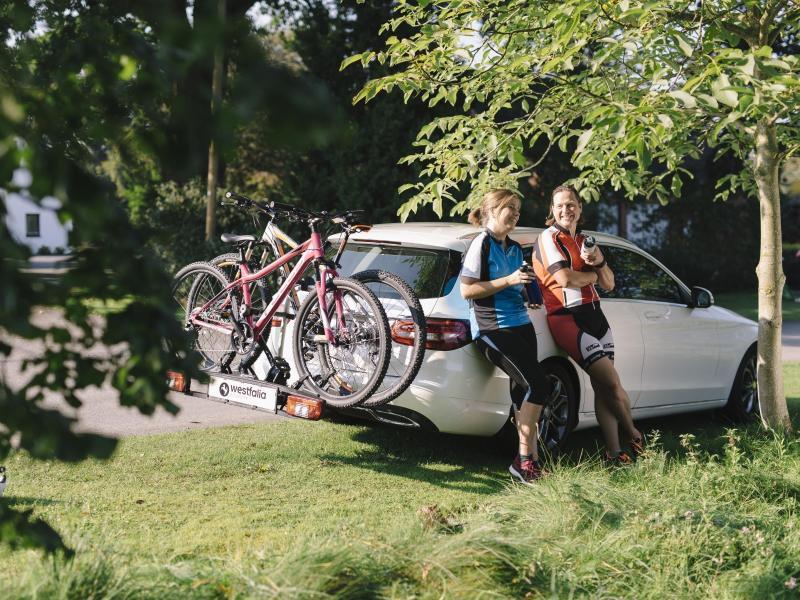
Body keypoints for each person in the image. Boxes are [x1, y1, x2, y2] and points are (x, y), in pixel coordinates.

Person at [531, 184, 644, 464]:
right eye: (559, 205)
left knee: (604, 387)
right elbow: (565, 280)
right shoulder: (548, 238)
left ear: (580, 208)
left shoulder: (585, 240)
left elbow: (610, 283)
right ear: (552, 210)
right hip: (567, 318)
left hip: (596, 316)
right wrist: (593, 276)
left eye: (571, 204)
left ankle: (614, 452)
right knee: (612, 382)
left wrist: (600, 261)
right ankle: (635, 434)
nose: (565, 210)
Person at [460, 189, 549, 484]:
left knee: (523, 394)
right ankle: (524, 461)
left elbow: (514, 285)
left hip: (522, 324)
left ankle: (530, 463)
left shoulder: (514, 247)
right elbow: (468, 290)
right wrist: (509, 280)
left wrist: (528, 291)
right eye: (509, 207)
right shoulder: (481, 244)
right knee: (539, 385)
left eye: (518, 208)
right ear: (492, 210)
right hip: (492, 329)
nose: (516, 213)